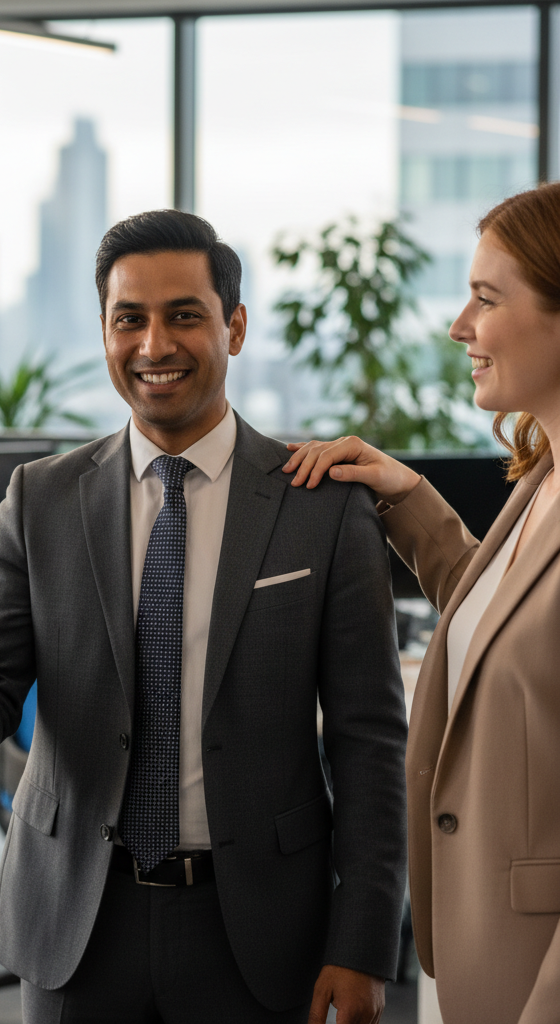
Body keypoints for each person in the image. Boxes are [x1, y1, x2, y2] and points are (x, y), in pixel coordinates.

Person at [0, 209, 408, 1024]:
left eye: (184, 315)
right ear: (104, 331)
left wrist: (362, 941)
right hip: (75, 913)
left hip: (257, 924)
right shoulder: (42, 497)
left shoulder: (321, 506)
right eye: (128, 319)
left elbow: (370, 741)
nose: (154, 346)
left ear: (235, 326)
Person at [283, 182, 560, 1024]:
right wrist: (406, 494)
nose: (458, 327)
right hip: (475, 941)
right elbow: (513, 625)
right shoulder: (545, 475)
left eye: (485, 297)